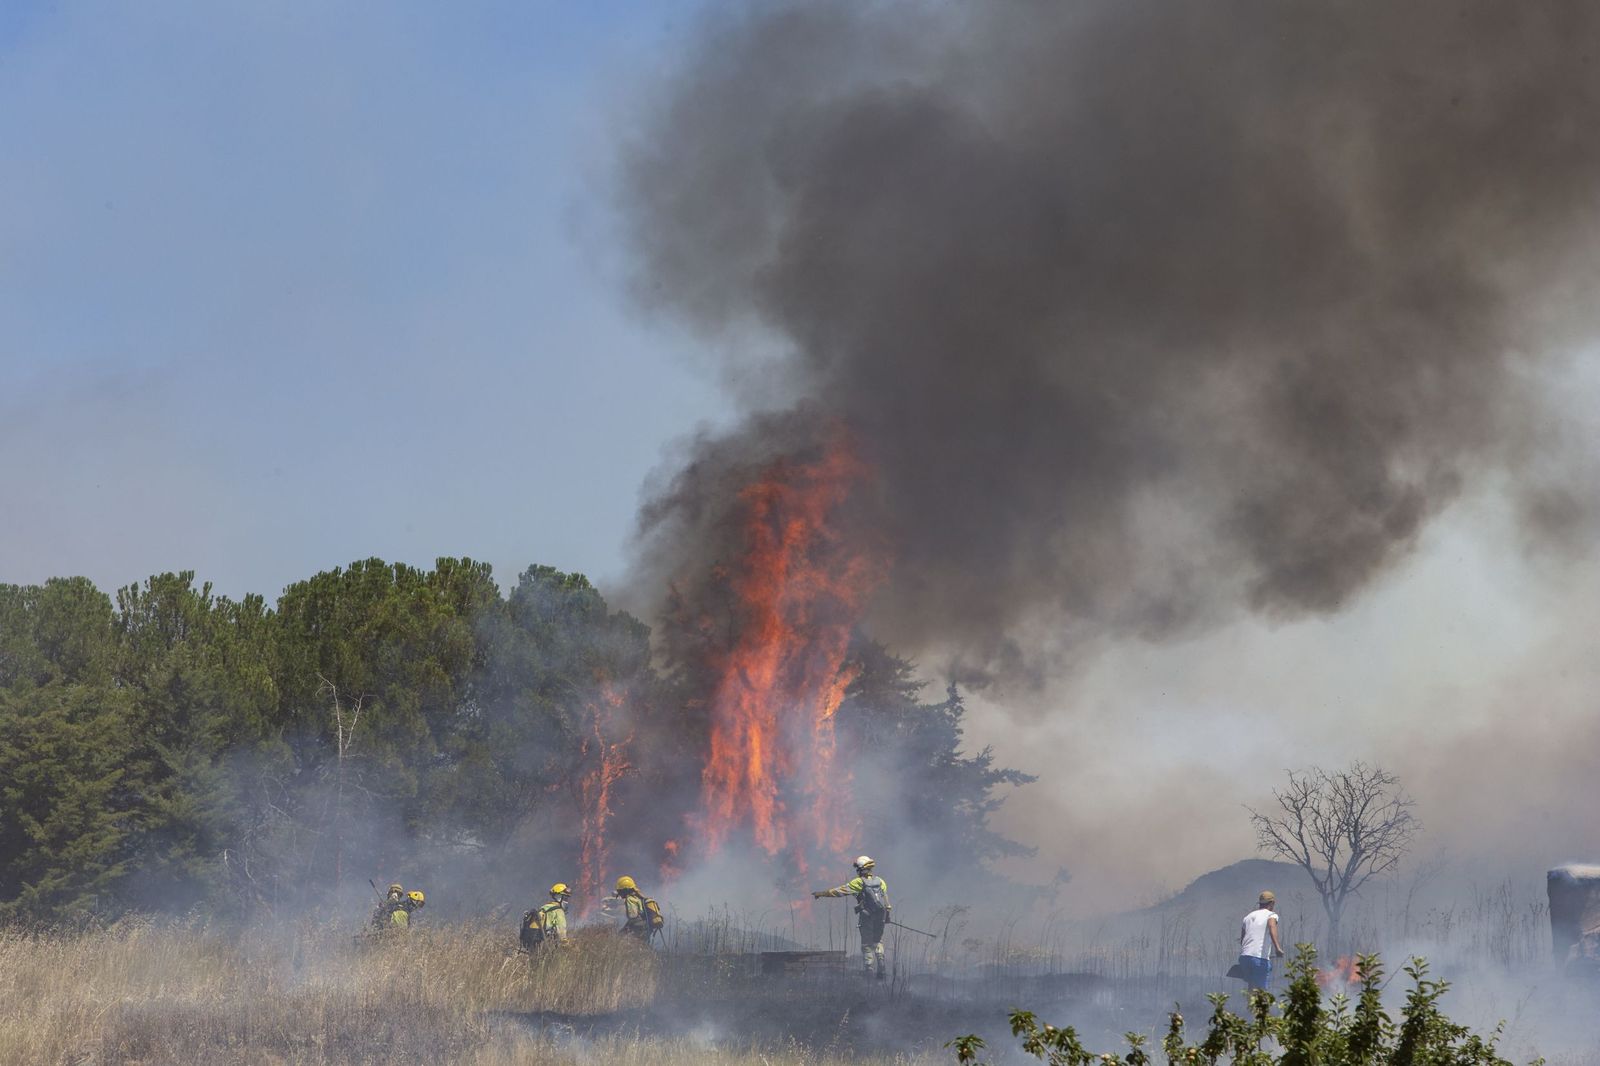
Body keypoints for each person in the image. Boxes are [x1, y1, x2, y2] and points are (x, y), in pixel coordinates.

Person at [813, 855, 892, 979]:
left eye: (858, 869)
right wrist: (887, 916)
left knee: (866, 944)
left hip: (866, 916)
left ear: (862, 869)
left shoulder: (859, 882)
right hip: (880, 916)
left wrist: (821, 893)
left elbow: (839, 892)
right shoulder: (881, 881)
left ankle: (869, 971)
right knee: (878, 941)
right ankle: (881, 967)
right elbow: (886, 902)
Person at [1238, 890, 1284, 990]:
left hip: (1244, 958)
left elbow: (1242, 940)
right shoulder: (1271, 915)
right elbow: (1272, 926)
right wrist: (1277, 948)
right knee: (1261, 992)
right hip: (1258, 959)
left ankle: (1250, 1005)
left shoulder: (1247, 917)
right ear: (1272, 903)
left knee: (1251, 987)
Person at [522, 883, 571, 950]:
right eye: (565, 898)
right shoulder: (559, 911)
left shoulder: (544, 907)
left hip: (532, 942)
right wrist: (567, 946)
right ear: (559, 897)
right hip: (544, 945)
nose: (566, 902)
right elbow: (561, 932)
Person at [612, 876, 656, 942]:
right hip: (646, 927)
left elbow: (633, 916)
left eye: (620, 891)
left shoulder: (630, 899)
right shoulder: (638, 898)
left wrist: (623, 930)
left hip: (638, 928)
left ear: (625, 890)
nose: (620, 894)